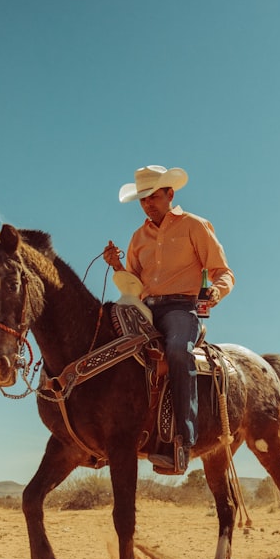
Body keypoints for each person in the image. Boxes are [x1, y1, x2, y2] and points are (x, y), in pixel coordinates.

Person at [103, 165, 235, 473]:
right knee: (107, 344)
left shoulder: (194, 226)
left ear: (169, 194)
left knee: (177, 350)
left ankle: (183, 439)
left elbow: (223, 272)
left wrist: (214, 292)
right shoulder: (138, 237)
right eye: (143, 200)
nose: (148, 204)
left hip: (181, 308)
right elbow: (133, 284)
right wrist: (116, 264)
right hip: (145, 307)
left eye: (153, 197)